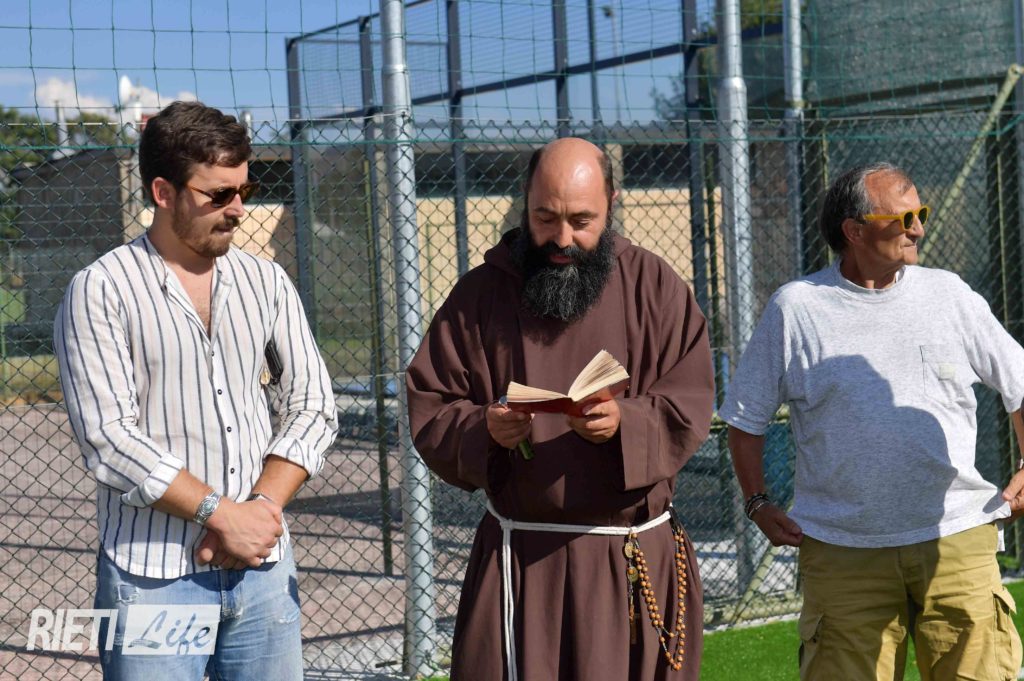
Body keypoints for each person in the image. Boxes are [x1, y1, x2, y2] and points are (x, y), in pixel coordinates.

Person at [406, 137, 714, 680]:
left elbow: (688, 401)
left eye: (581, 221)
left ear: (611, 203)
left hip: (630, 559)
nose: (562, 239)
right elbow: (432, 404)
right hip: (522, 562)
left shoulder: (655, 286)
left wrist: (626, 424)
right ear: (525, 202)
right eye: (545, 218)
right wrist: (485, 428)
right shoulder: (481, 294)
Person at [53, 101, 338, 680]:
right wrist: (220, 514)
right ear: (163, 192)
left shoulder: (266, 281)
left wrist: (259, 511)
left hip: (263, 569)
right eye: (218, 194)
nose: (238, 208)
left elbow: (314, 405)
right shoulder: (101, 289)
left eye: (244, 189)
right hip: (154, 577)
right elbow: (109, 439)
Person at [719, 161, 1024, 680]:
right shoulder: (796, 309)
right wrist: (757, 502)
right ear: (854, 231)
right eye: (903, 219)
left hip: (957, 542)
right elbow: (745, 418)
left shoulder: (949, 294)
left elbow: (1019, 383)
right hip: (842, 555)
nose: (918, 229)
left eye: (921, 214)